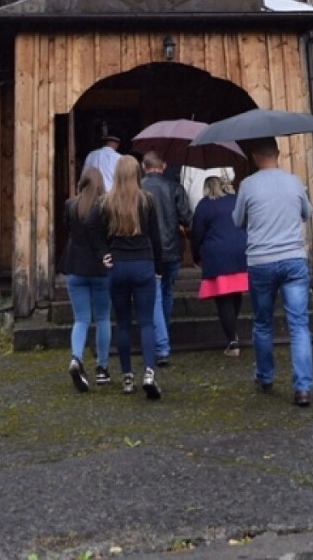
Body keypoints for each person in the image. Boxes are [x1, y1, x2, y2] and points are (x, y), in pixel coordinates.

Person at [232, 136, 313, 407]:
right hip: (292, 258)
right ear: (277, 154)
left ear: (255, 156)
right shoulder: (294, 181)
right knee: (299, 324)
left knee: (263, 322)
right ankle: (302, 387)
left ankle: (265, 377)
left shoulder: (247, 185)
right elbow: (306, 213)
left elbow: (238, 220)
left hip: (261, 260)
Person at [101, 154, 164, 399]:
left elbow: (99, 233)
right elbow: (155, 238)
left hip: (118, 266)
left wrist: (105, 254)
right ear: (138, 173)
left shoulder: (107, 203)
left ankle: (127, 376)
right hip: (143, 263)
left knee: (123, 323)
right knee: (146, 321)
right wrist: (158, 268)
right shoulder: (147, 200)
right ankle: (149, 370)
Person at [61, 166, 111, 392]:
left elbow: (67, 228)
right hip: (100, 268)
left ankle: (76, 357)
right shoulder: (105, 207)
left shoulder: (70, 205)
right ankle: (102, 368)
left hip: (74, 266)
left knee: (80, 319)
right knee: (102, 319)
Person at [140, 149, 192, 366]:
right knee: (167, 292)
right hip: (171, 249)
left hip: (148, 250)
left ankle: (161, 346)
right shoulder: (173, 187)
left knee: (155, 297)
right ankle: (164, 333)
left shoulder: (138, 189)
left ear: (144, 166)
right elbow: (187, 218)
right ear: (163, 166)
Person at [190, 175, 248, 355]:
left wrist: (195, 256)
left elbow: (196, 233)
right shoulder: (236, 200)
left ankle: (232, 341)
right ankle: (233, 333)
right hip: (240, 250)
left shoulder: (204, 205)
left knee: (223, 299)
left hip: (217, 254)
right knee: (236, 294)